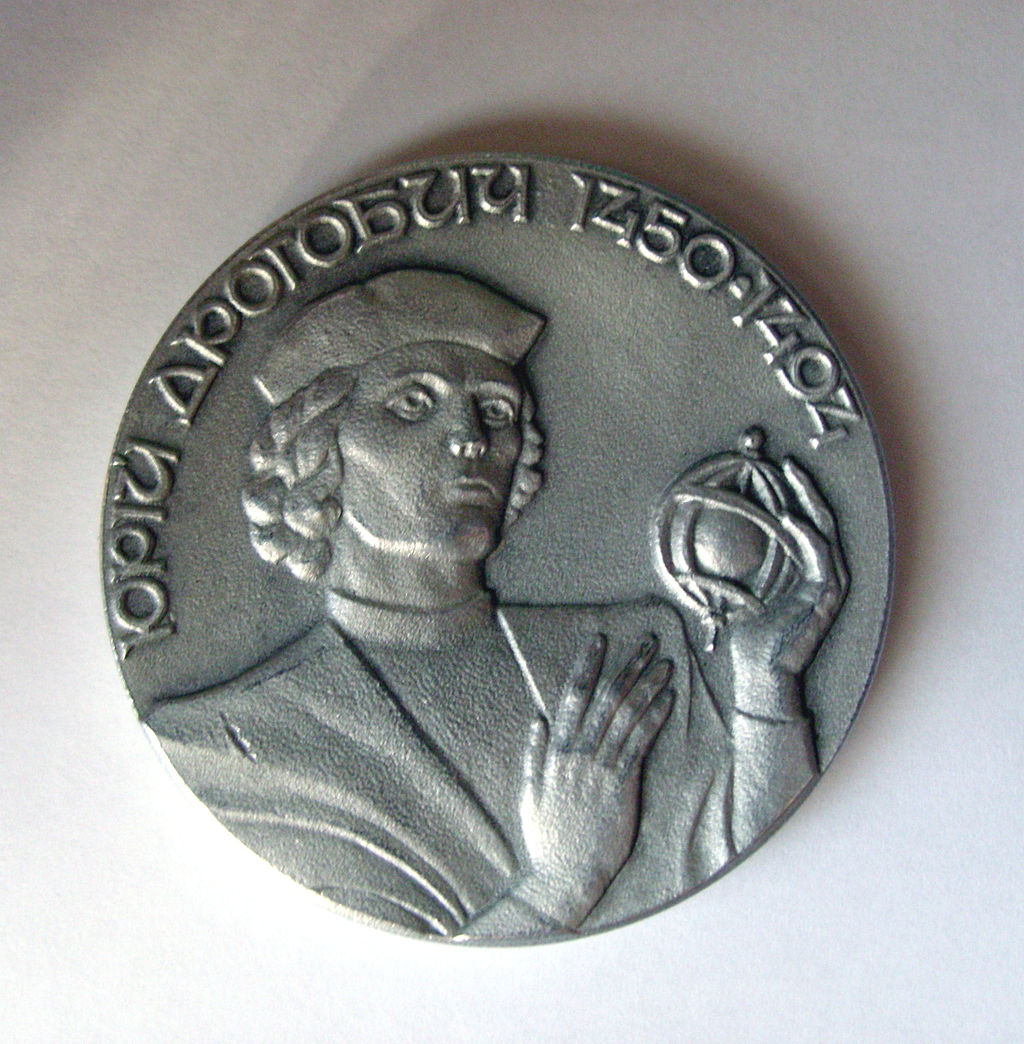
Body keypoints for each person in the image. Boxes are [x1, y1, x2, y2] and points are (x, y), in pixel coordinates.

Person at [146, 268, 845, 940]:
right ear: (318, 452)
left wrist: (767, 685)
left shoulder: (631, 654)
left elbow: (769, 880)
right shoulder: (230, 743)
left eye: (496, 411)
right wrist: (561, 885)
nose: (471, 437)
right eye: (413, 404)